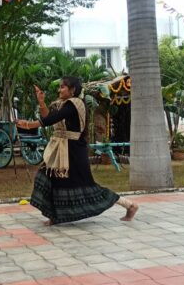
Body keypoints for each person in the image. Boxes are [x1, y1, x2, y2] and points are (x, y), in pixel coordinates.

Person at [15, 76, 138, 225]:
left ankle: (130, 205)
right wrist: (41, 102)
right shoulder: (62, 104)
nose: (59, 89)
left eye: (62, 87)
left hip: (73, 150)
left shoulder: (75, 104)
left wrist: (28, 125)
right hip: (61, 149)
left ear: (72, 90)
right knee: (52, 179)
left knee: (88, 186)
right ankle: (55, 216)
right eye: (59, 87)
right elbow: (49, 116)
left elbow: (50, 120)